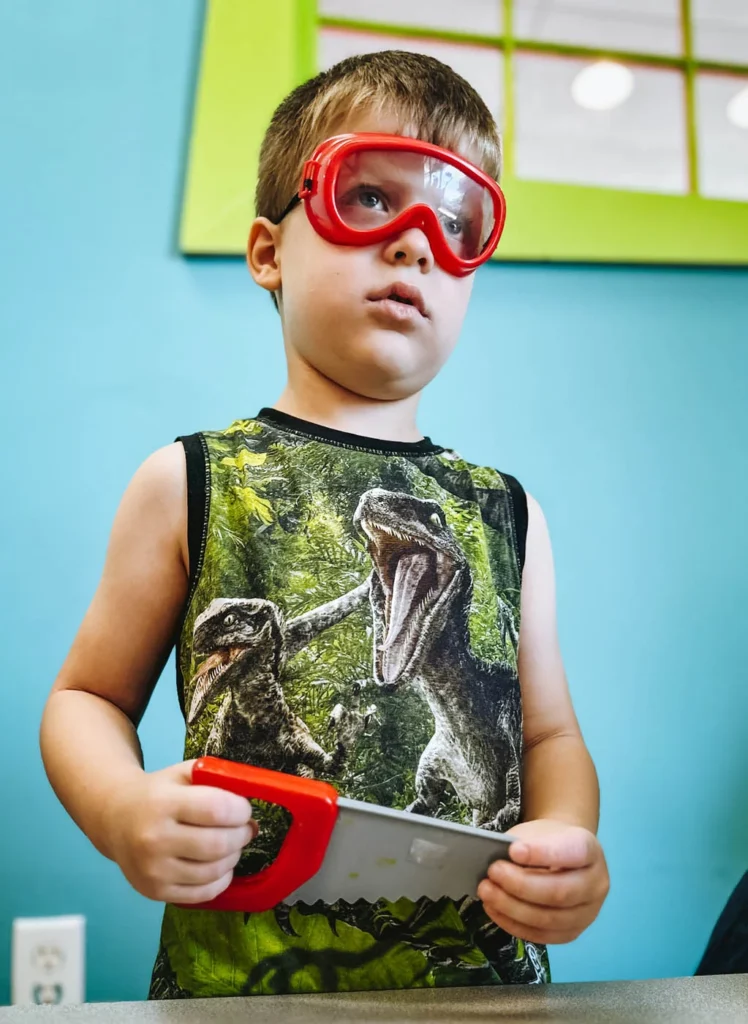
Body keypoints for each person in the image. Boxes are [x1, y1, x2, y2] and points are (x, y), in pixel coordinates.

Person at [40, 50, 610, 999]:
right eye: (371, 199)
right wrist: (121, 810)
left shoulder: (509, 511)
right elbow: (85, 701)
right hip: (235, 996)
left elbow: (549, 738)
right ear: (269, 249)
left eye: (459, 222)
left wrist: (568, 844)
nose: (418, 242)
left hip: (485, 994)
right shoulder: (188, 479)